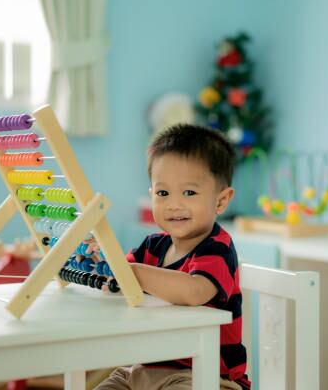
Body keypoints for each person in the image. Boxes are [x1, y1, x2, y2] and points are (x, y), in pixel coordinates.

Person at [91, 124, 250, 390]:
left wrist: (133, 272)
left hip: (205, 375)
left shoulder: (217, 248)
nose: (174, 204)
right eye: (163, 193)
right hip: (140, 369)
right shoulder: (153, 246)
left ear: (221, 201)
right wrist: (100, 260)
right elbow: (117, 279)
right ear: (152, 195)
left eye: (189, 192)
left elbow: (194, 291)